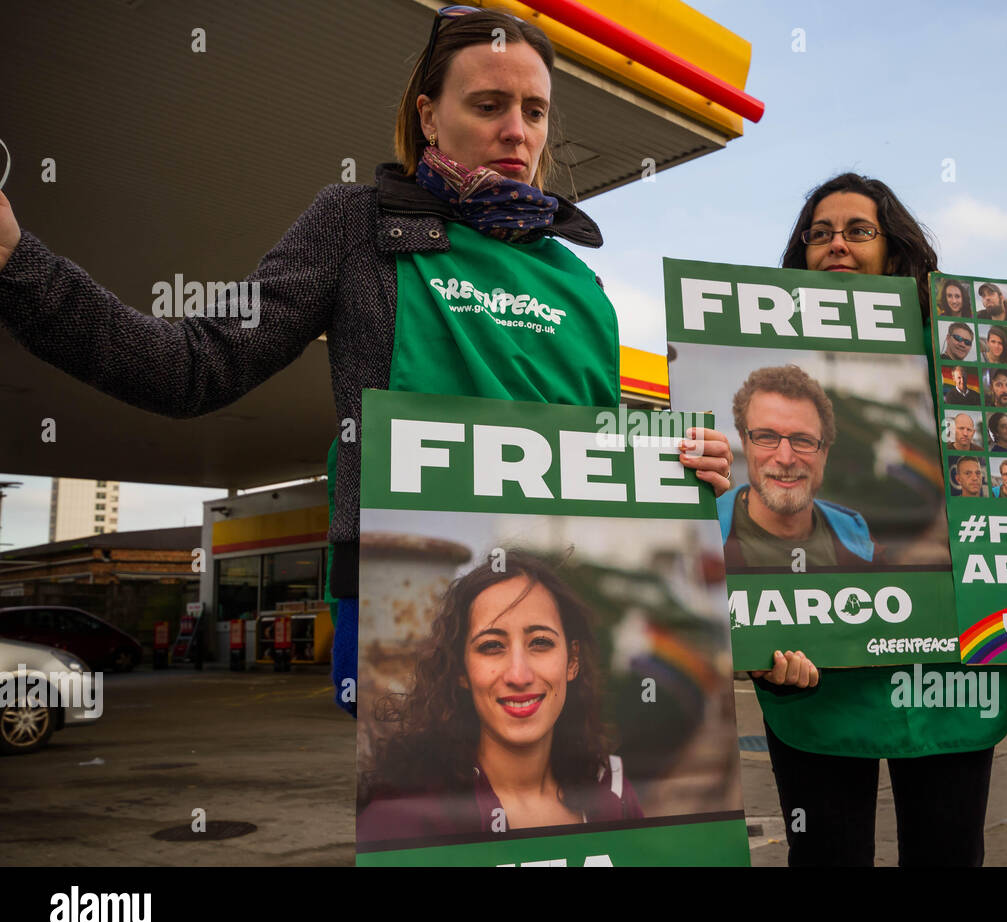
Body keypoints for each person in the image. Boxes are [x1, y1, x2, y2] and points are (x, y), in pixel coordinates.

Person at [0, 7, 733, 717]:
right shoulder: (356, 224)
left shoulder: (581, 281)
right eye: (489, 104)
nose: (517, 130)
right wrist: (15, 262)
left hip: (567, 603)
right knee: (441, 827)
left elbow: (603, 462)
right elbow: (193, 366)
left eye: (535, 111)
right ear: (428, 116)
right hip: (410, 605)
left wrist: (682, 463)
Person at [761, 172, 1007, 867]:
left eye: (856, 230)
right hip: (817, 674)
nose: (835, 245)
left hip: (950, 669)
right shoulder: (761, 359)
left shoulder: (965, 360)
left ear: (895, 249)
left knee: (947, 856)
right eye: (819, 234)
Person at [357, 551, 641, 840]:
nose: (519, 675)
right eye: (492, 646)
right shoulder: (402, 819)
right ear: (460, 670)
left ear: (572, 661)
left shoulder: (611, 791)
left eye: (541, 642)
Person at [717, 365, 873, 569]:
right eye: (766, 437)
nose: (786, 458)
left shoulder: (856, 538)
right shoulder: (709, 529)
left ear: (824, 452)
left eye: (802, 440)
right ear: (744, 443)